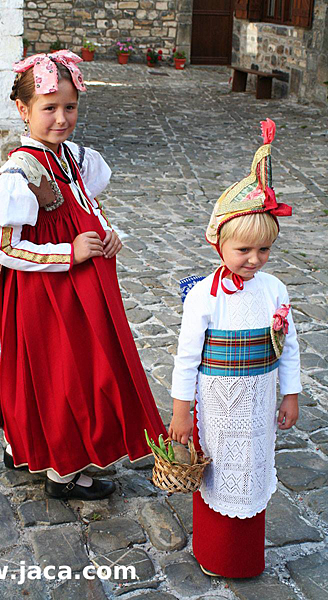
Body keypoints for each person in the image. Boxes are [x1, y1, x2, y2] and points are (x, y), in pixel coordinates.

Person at [0, 50, 166, 501]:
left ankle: (24, 447)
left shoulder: (74, 157)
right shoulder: (21, 172)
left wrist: (108, 233)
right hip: (46, 294)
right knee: (61, 373)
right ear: (23, 110)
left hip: (81, 290)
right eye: (49, 108)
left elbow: (87, 208)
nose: (61, 118)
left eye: (70, 107)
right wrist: (67, 252)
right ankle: (64, 470)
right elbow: (4, 248)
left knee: (67, 369)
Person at [169, 119, 301, 578]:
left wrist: (291, 393)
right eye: (244, 249)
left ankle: (246, 559)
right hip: (217, 405)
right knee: (218, 473)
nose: (254, 259)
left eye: (264, 250)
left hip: (260, 402)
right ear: (218, 242)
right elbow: (187, 356)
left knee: (252, 474)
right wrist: (182, 410)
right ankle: (215, 554)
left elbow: (288, 345)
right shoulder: (204, 295)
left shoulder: (274, 290)